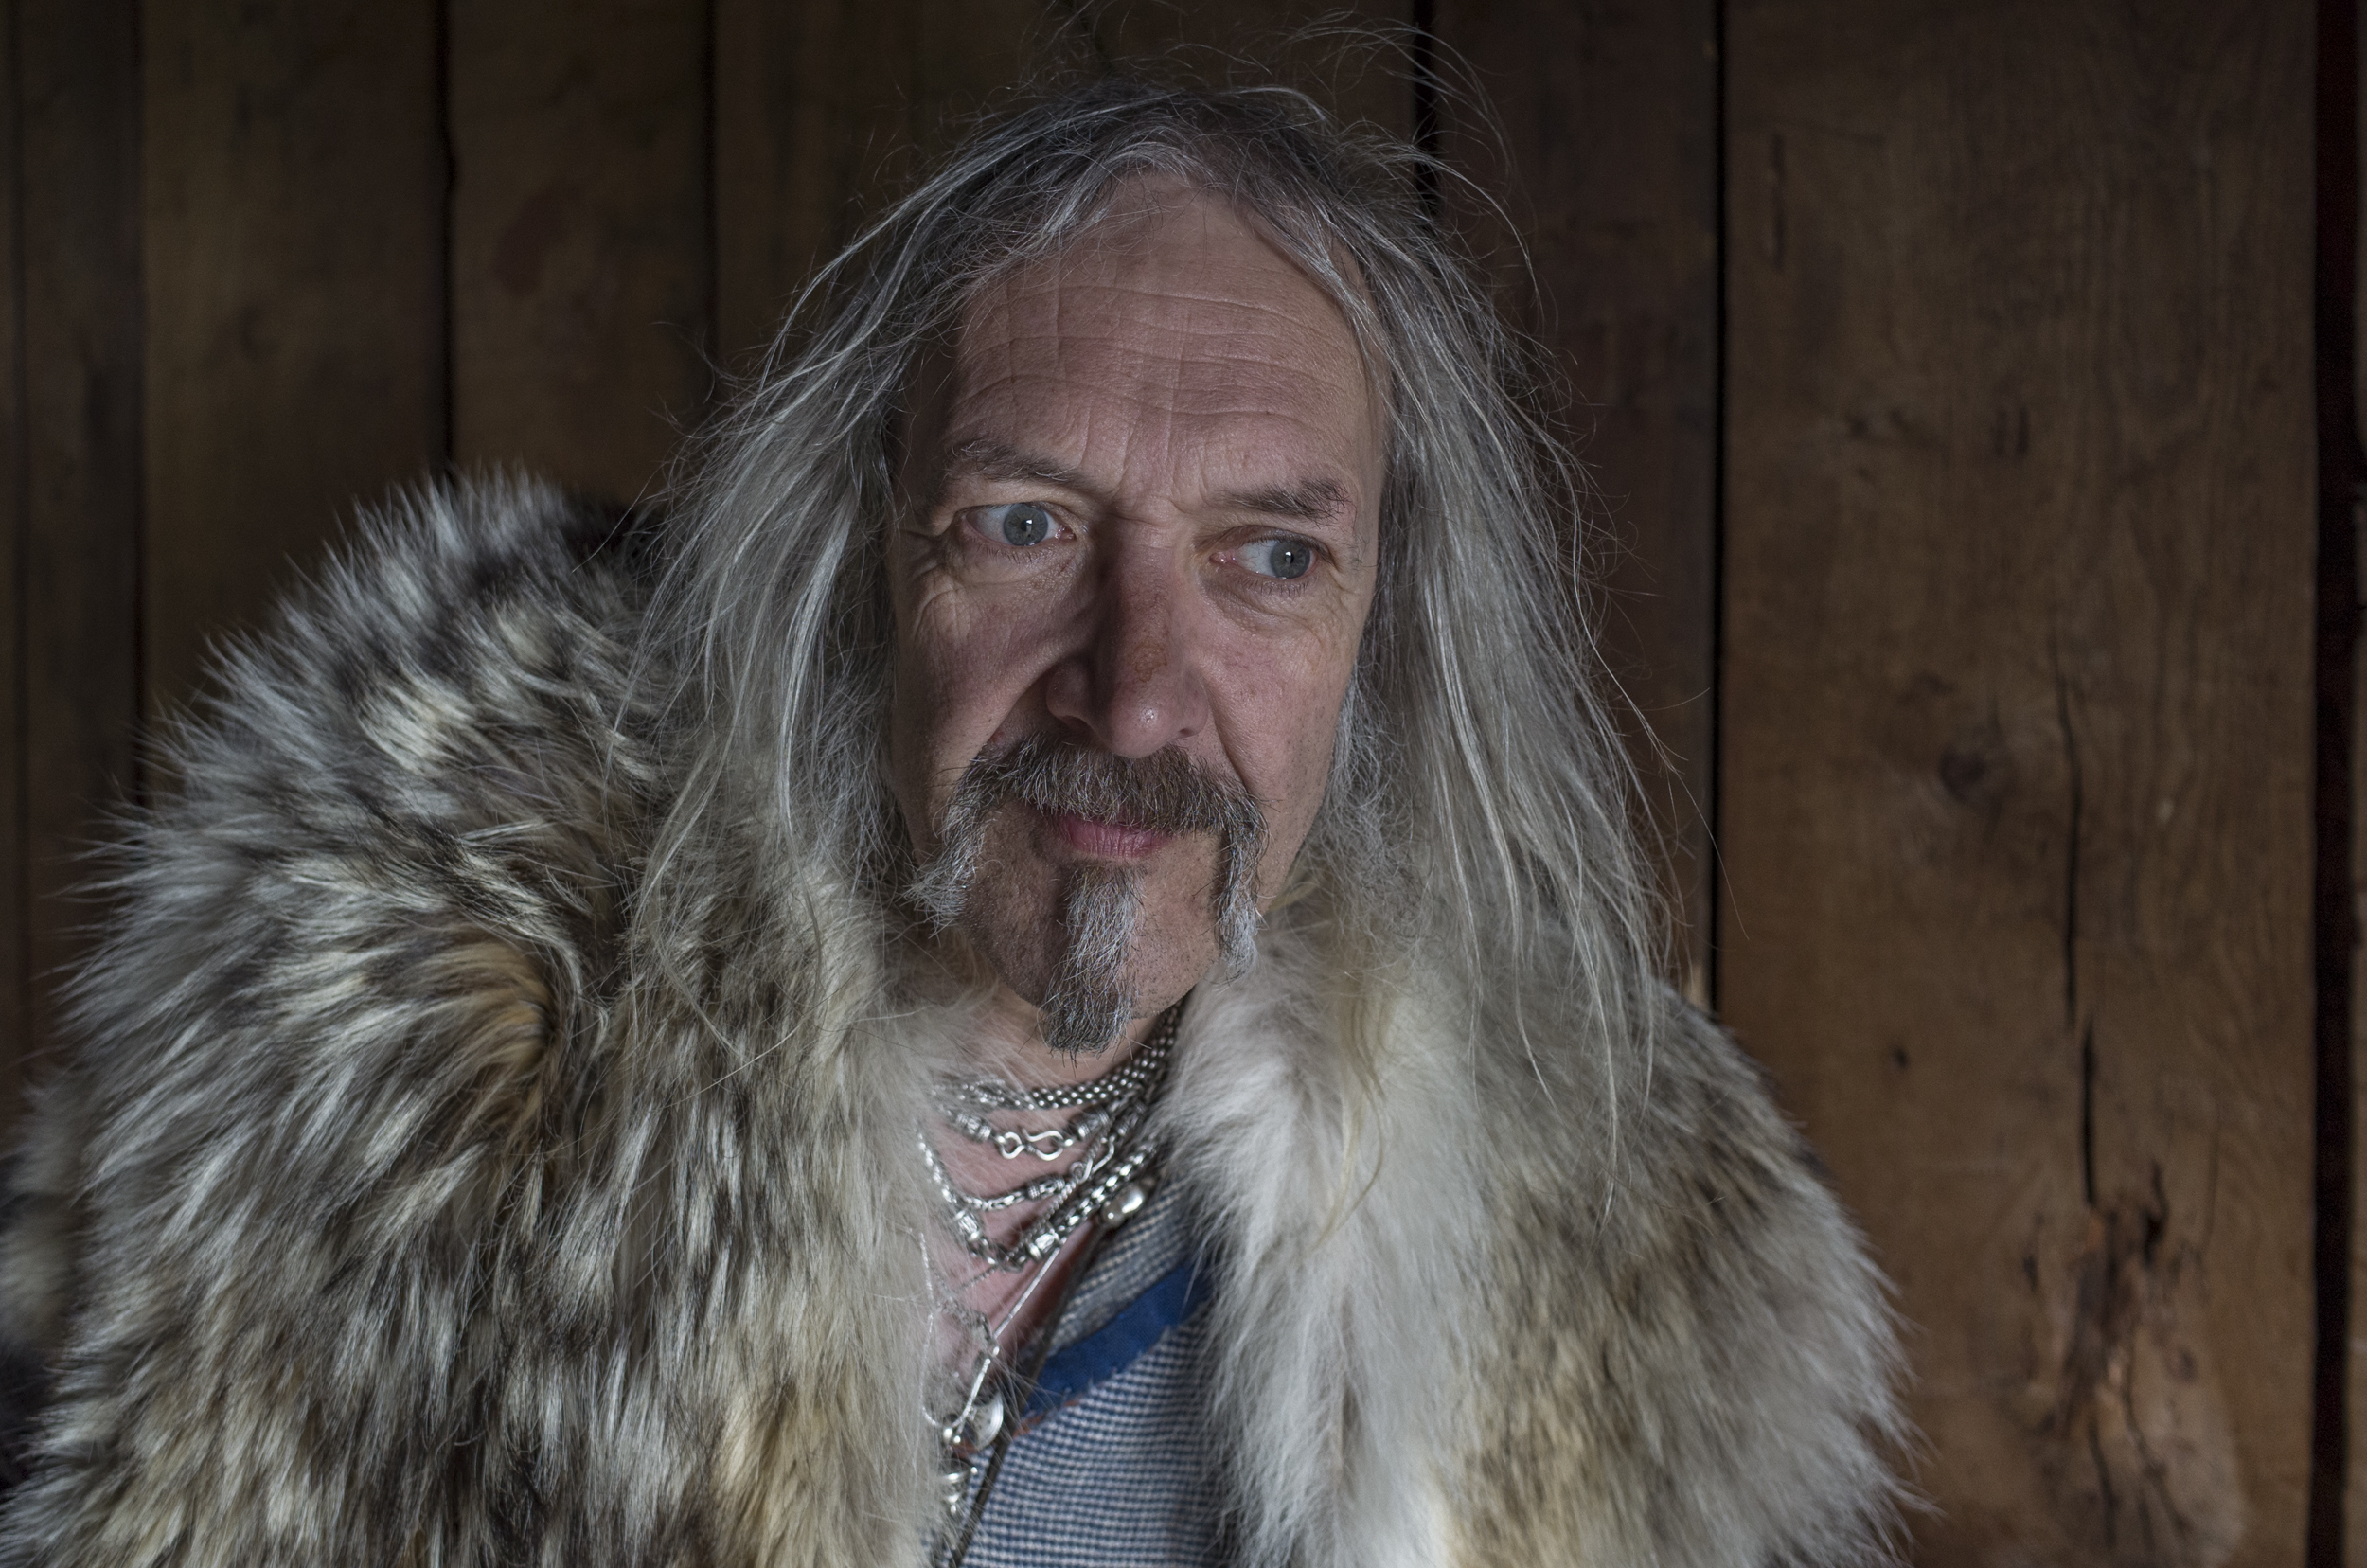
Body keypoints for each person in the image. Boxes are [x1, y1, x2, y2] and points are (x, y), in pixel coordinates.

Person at [0, 78, 1902, 1566]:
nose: (1132, 695)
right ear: (857, 559)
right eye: (1024, 525)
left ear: (1381, 632)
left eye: (1268, 556)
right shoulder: (402, 1072)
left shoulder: (1619, 1264)